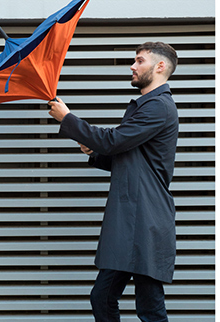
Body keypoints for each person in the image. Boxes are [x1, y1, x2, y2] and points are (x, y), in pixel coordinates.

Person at [48, 41, 178, 322]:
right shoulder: (146, 106)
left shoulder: (158, 107)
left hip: (145, 219)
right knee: (103, 298)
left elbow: (115, 140)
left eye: (140, 61)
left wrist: (68, 120)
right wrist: (94, 150)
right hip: (133, 218)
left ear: (160, 66)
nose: (133, 66)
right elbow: (126, 158)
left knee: (149, 307)